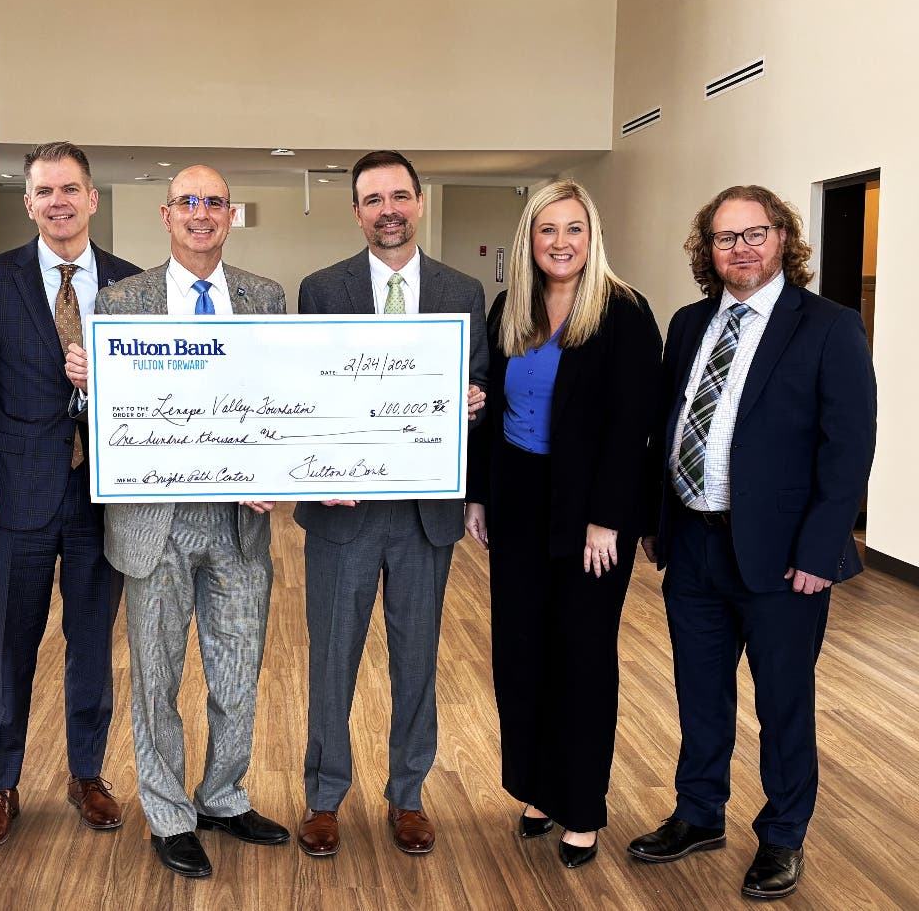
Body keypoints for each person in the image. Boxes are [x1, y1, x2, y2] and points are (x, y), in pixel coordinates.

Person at [627, 186, 876, 899]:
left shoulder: (828, 326)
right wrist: (655, 519)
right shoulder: (689, 323)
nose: (740, 248)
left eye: (754, 233)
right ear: (708, 250)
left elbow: (848, 448)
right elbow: (668, 427)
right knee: (699, 694)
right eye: (724, 237)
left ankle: (783, 835)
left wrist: (820, 551)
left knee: (783, 704)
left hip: (783, 556)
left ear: (783, 238)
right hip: (693, 544)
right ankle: (698, 813)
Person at [65, 164, 290, 879]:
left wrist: (278, 468)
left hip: (239, 521)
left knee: (237, 675)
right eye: (187, 202)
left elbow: (283, 398)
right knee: (156, 678)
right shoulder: (118, 301)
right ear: (166, 215)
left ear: (230, 215)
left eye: (214, 202)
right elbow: (102, 417)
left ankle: (222, 796)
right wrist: (86, 388)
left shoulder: (265, 298)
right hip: (152, 522)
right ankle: (167, 814)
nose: (201, 213)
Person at [293, 150, 488, 858]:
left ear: (419, 202)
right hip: (342, 511)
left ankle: (408, 795)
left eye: (399, 196)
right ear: (356, 212)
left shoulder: (463, 290)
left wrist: (473, 402)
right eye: (373, 199)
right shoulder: (322, 290)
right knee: (332, 661)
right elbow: (305, 390)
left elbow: (476, 379)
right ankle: (324, 797)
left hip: (423, 514)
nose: (388, 210)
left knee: (416, 662)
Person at [464, 180, 662, 869]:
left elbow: (633, 426)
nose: (560, 242)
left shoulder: (624, 312)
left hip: (589, 512)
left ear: (592, 236)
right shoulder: (510, 308)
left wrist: (607, 519)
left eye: (573, 228)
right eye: (547, 229)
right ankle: (538, 790)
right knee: (521, 652)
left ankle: (580, 807)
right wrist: (479, 496)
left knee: (581, 657)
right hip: (517, 499)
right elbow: (490, 409)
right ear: (529, 238)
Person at [0, 142, 140, 848]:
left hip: (101, 495)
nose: (58, 202)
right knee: (11, 646)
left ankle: (86, 774)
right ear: (29, 202)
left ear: (92, 198)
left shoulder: (130, 284)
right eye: (44, 191)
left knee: (91, 643)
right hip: (16, 494)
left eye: (70, 189)